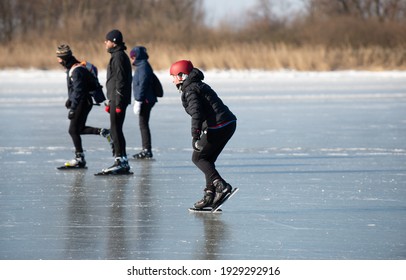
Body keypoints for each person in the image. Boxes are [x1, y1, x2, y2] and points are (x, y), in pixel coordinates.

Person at [169, 60, 237, 209]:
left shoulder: (190, 90)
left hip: (219, 125)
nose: (172, 80)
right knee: (207, 159)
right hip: (228, 123)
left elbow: (196, 113)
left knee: (198, 157)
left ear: (182, 76)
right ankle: (210, 195)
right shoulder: (196, 85)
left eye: (173, 76)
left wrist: (195, 135)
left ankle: (221, 185)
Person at [56, 44, 111, 168]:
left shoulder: (77, 70)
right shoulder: (74, 68)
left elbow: (79, 91)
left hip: (83, 102)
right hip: (82, 101)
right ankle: (104, 132)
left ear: (64, 58)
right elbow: (76, 89)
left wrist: (73, 108)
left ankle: (80, 159)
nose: (58, 61)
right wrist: (70, 100)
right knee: (78, 129)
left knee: (73, 130)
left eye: (59, 58)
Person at [103, 29, 132, 173]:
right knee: (116, 129)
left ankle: (120, 160)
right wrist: (111, 101)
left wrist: (118, 102)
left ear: (113, 42)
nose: (105, 43)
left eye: (107, 41)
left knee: (115, 129)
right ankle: (122, 160)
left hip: (118, 99)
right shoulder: (117, 55)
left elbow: (121, 80)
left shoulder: (119, 56)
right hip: (115, 99)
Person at [130, 46, 157, 159]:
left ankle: (146, 150)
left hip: (145, 100)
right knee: (143, 124)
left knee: (143, 124)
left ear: (137, 56)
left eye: (132, 57)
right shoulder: (142, 66)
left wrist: (139, 100)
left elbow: (143, 84)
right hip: (145, 99)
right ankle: (146, 149)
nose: (131, 59)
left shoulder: (143, 67)